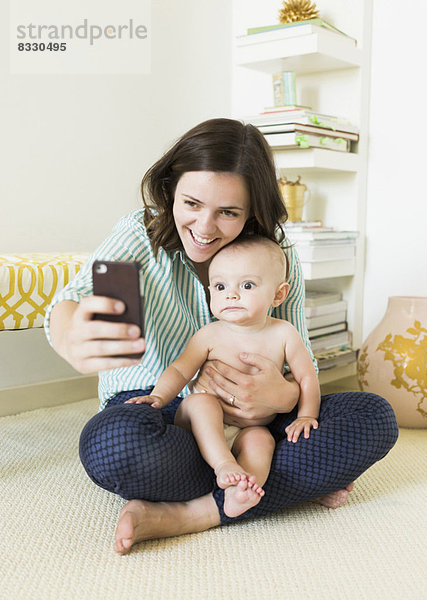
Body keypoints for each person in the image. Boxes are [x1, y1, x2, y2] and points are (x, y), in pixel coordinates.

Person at [45, 118, 398, 556]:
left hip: (262, 422)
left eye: (228, 212)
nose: (204, 227)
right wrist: (71, 336)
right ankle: (280, 485)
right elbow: (72, 300)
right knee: (112, 445)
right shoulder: (142, 234)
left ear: (252, 211)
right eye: (191, 202)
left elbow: (299, 361)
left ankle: (192, 513)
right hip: (160, 412)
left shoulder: (276, 253)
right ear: (172, 187)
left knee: (373, 417)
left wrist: (284, 398)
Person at [124, 236, 320, 519]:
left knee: (261, 442)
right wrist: (158, 396)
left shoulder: (284, 333)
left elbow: (306, 378)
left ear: (279, 294)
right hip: (203, 424)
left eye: (247, 285)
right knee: (202, 402)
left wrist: (306, 415)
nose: (231, 294)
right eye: (220, 286)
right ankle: (224, 466)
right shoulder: (209, 334)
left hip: (250, 427)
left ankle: (240, 492)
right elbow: (180, 370)